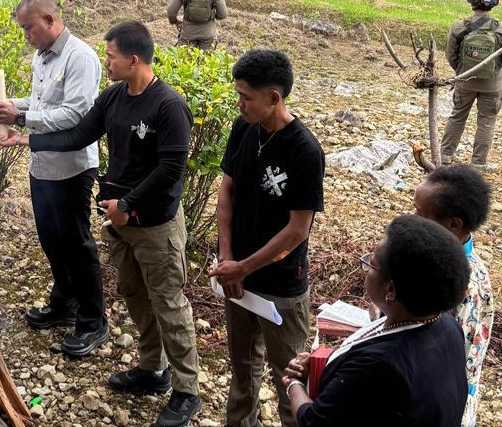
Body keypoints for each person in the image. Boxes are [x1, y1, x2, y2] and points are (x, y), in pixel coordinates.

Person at [0, 21, 202, 427]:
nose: (104, 62)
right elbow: (79, 135)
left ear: (134, 59)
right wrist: (27, 135)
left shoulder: (168, 106)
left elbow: (171, 168)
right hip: (120, 219)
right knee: (134, 294)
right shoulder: (114, 98)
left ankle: (187, 391)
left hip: (155, 223)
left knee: (169, 303)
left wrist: (128, 202)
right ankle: (151, 369)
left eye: (110, 56)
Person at [210, 48, 325, 427]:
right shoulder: (244, 128)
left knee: (288, 376)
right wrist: (228, 259)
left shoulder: (304, 151)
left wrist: (242, 266)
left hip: (279, 285)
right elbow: (226, 190)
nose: (239, 103)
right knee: (242, 367)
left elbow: (297, 230)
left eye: (246, 96)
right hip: (236, 275)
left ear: (274, 97)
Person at [0, 0, 106, 356]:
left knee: (76, 241)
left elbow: (76, 115)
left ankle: (92, 321)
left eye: (28, 27)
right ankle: (64, 302)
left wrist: (20, 119)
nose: (26, 36)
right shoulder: (43, 56)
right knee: (51, 239)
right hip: (42, 164)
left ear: (50, 21)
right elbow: (41, 103)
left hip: (71, 167)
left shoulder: (80, 58)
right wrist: (7, 106)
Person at [282, 215, 469, 427]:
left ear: (390, 290)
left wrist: (295, 384)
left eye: (371, 265)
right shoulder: (446, 324)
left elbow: (314, 421)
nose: (366, 270)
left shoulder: (379, 366)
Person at [413, 165, 494, 427]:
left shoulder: (466, 286)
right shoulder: (433, 257)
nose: (412, 219)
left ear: (453, 224)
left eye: (420, 214)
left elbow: (458, 360)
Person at [441, 0, 502, 171]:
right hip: (492, 85)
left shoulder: (459, 26)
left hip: (464, 82)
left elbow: (450, 55)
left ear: (471, 2)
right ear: (494, 3)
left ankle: (445, 157)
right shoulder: (500, 29)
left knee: (457, 117)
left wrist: (462, 73)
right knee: (486, 122)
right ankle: (478, 163)